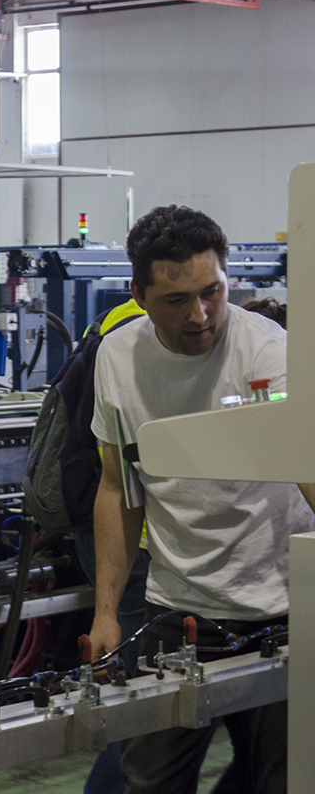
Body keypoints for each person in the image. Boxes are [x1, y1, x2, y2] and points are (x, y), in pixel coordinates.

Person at [86, 205, 314, 794]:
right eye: (176, 300)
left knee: (282, 780)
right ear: (138, 295)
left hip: (280, 611)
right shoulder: (117, 358)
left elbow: (308, 468)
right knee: (150, 781)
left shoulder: (268, 352)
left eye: (213, 291)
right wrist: (106, 612)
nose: (200, 314)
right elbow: (118, 487)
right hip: (177, 611)